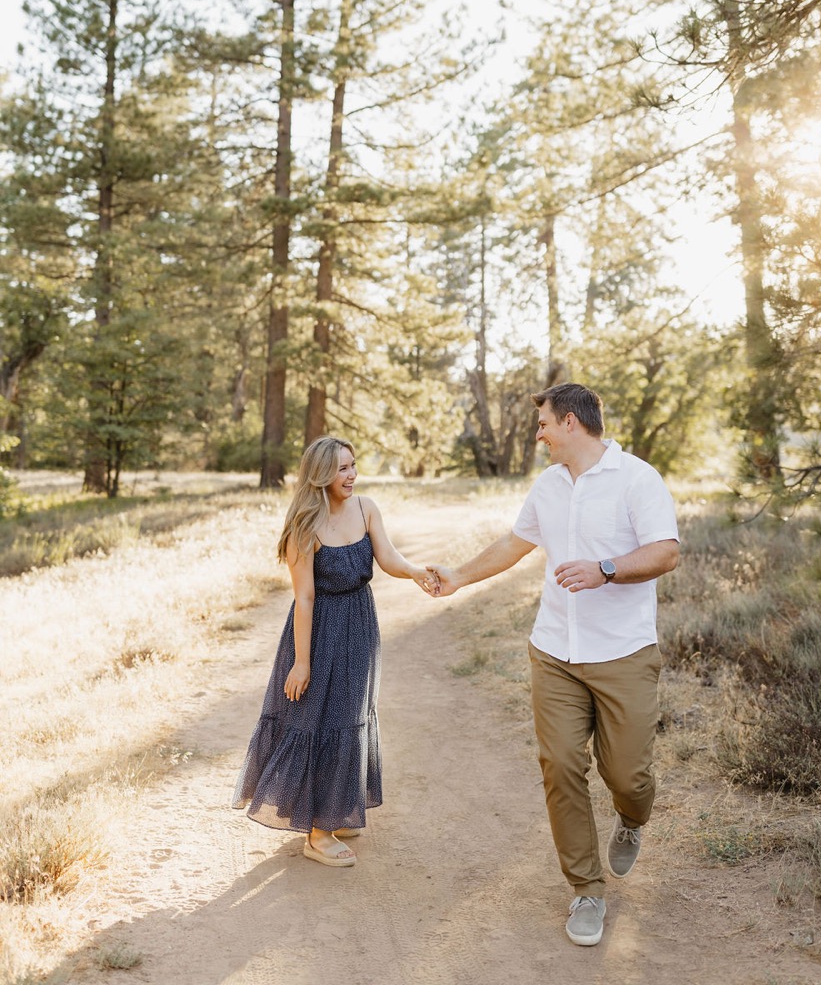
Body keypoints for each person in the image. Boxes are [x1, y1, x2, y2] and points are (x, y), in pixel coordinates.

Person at [427, 382, 679, 946]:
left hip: (624, 653)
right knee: (560, 765)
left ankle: (633, 819)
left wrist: (605, 569)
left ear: (569, 422)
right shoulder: (547, 485)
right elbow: (515, 544)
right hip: (555, 654)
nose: (537, 434)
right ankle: (586, 890)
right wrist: (458, 578)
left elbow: (666, 551)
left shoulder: (638, 478)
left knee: (628, 776)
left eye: (542, 423)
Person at [232, 435, 436, 867]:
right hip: (319, 631)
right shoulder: (303, 528)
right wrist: (302, 662)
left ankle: (335, 810)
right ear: (321, 473)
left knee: (351, 717)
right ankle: (317, 834)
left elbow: (390, 557)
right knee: (319, 719)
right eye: (342, 468)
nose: (352, 474)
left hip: (360, 625)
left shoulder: (366, 508)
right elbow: (304, 598)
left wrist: (417, 573)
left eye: (353, 465)